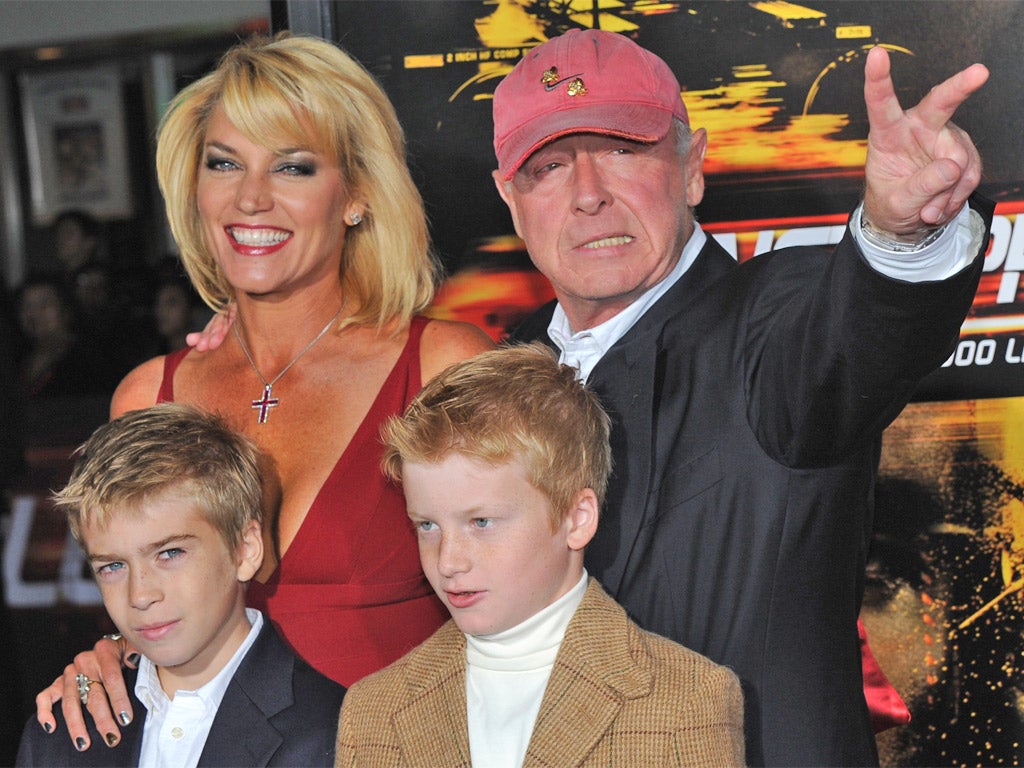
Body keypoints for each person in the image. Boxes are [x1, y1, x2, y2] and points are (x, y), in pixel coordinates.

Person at [495, 30, 992, 767]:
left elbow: (855, 336)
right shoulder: (501, 370)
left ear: (692, 168)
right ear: (511, 200)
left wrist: (899, 233)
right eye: (548, 167)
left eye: (625, 150)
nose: (589, 192)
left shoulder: (774, 317)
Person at [34, 33, 492, 751]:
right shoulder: (148, 397)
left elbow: (532, 618)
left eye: (293, 166)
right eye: (224, 163)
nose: (250, 197)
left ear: (358, 195)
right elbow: (151, 619)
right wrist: (110, 661)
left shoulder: (442, 368)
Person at [336, 344, 745, 767]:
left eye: (481, 523)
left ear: (576, 518)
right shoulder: (374, 710)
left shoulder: (686, 700)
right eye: (427, 526)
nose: (448, 562)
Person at [16, 403, 346, 766]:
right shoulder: (61, 736)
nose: (140, 595)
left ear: (245, 549)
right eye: (112, 566)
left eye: (170, 553)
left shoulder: (335, 732)